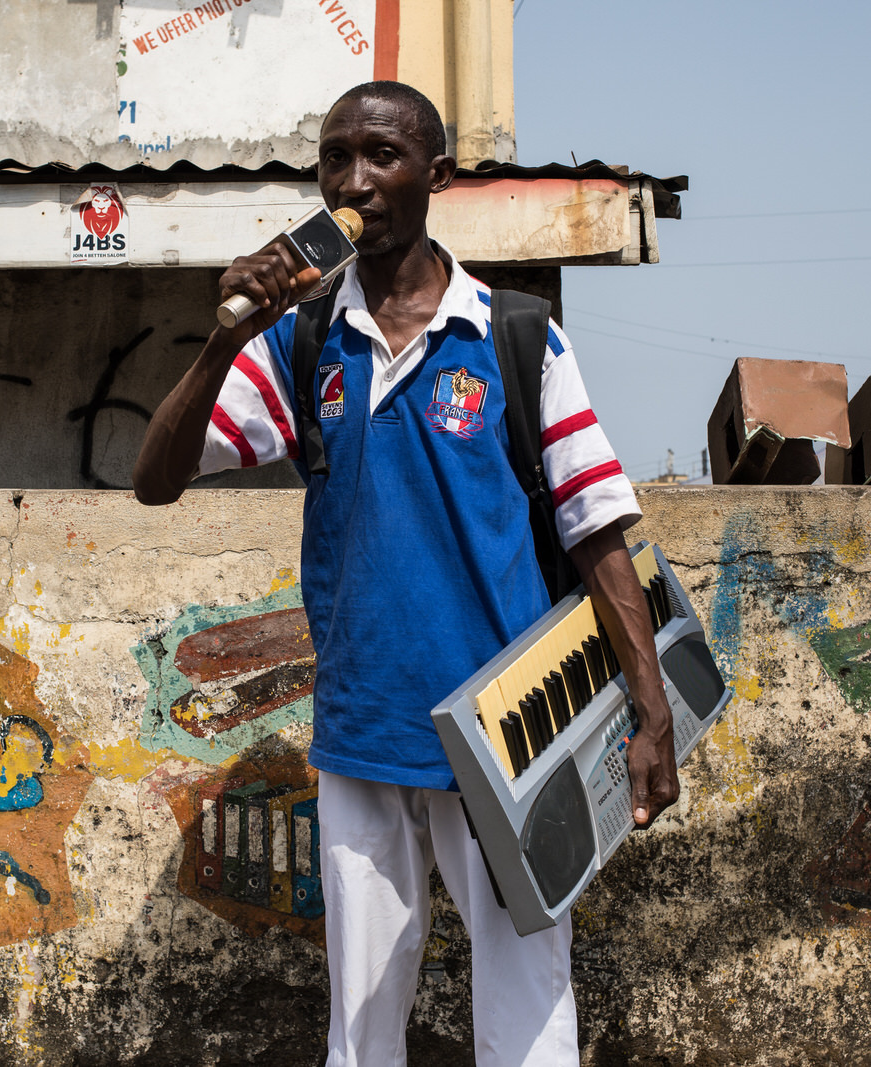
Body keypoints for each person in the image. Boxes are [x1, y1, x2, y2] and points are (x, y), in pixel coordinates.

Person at [133, 81, 679, 1067]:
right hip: (361, 730)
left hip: (510, 734)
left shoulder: (515, 337)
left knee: (527, 1014)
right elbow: (155, 479)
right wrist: (228, 330)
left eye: (381, 156)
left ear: (437, 175)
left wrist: (650, 710)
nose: (355, 181)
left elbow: (599, 531)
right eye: (335, 157)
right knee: (360, 1028)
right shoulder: (300, 345)